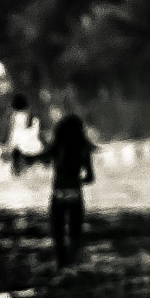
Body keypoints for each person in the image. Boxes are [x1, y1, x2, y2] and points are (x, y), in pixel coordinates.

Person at [41, 114, 96, 267]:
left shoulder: (57, 146)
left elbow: (40, 157)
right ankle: (72, 263)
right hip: (75, 194)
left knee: (58, 231)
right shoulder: (83, 148)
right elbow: (90, 177)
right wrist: (78, 180)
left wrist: (23, 156)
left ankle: (61, 262)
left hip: (58, 193)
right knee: (75, 231)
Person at [6, 93, 42, 177]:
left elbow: (14, 135)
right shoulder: (34, 116)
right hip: (36, 148)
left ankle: (18, 171)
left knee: (16, 151)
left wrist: (8, 147)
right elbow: (36, 133)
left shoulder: (15, 116)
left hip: (22, 149)